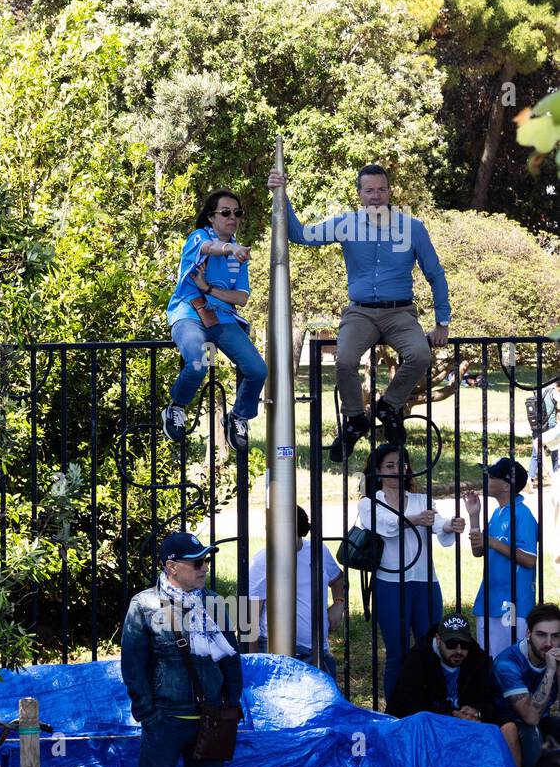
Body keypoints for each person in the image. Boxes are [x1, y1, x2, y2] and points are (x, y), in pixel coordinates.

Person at [267, 165, 451, 463]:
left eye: (381, 189)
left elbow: (435, 274)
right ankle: (354, 419)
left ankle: (389, 406)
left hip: (400, 312)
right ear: (360, 195)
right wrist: (281, 194)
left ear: (389, 192)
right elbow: (300, 235)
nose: (376, 196)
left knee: (420, 355)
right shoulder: (346, 224)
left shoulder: (412, 228)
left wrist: (442, 322)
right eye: (369, 190)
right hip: (360, 313)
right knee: (345, 360)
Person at [121, 531, 243, 767]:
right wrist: (150, 716)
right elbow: (133, 668)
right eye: (198, 562)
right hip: (165, 722)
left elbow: (231, 659)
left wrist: (230, 705)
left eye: (206, 561)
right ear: (171, 567)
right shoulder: (144, 605)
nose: (205, 568)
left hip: (211, 720)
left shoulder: (214, 603)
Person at [355, 444, 465, 702]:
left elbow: (439, 525)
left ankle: (429, 705)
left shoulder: (422, 500)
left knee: (430, 650)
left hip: (425, 582)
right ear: (378, 472)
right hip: (390, 584)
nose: (396, 471)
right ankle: (395, 710)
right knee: (397, 653)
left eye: (400, 465)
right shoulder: (370, 503)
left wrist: (452, 525)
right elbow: (384, 525)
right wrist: (414, 520)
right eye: (389, 466)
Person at [161, 190, 266, 452]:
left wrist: (208, 289)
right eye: (226, 212)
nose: (233, 217)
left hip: (223, 318)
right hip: (190, 314)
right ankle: (176, 406)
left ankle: (237, 416)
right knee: (198, 364)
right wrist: (231, 249)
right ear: (211, 217)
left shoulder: (239, 254)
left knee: (257, 370)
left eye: (237, 213)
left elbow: (241, 298)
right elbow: (211, 248)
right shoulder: (199, 237)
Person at [387, 613, 520, 760]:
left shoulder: (477, 659)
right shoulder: (418, 660)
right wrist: (451, 715)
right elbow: (406, 707)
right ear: (438, 640)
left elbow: (493, 699)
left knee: (509, 728)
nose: (458, 651)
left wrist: (478, 712)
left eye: (464, 644)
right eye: (451, 644)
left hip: (470, 728)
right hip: (430, 730)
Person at [246, 506, 346, 678]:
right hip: (276, 654)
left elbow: (338, 579)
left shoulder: (318, 550)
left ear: (299, 529)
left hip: (319, 650)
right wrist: (253, 662)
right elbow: (247, 615)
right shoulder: (263, 560)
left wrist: (339, 603)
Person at [465, 458, 538, 656]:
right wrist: (474, 516)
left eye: (491, 476)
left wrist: (492, 541)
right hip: (490, 601)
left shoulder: (523, 515)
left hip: (514, 606)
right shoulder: (498, 513)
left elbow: (530, 559)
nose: (486, 478)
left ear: (506, 485)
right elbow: (478, 551)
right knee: (489, 663)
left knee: (510, 665)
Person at [492, 603, 560, 767]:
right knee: (530, 733)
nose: (549, 643)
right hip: (504, 724)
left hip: (539, 721)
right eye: (541, 635)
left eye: (556, 636)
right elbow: (530, 717)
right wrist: (551, 670)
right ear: (528, 634)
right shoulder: (508, 662)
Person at [528, 383, 558, 485]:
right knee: (555, 452)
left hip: (537, 425)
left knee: (536, 452)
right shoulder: (553, 392)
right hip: (551, 425)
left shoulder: (539, 390)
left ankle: (530, 478)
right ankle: (556, 474)